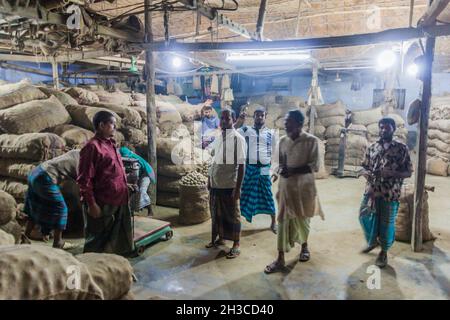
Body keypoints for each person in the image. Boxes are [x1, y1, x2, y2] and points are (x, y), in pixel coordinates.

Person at [265, 110, 323, 274]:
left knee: (303, 221)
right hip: (286, 190)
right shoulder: (282, 141)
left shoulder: (311, 141)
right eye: (285, 121)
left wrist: (293, 170)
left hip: (304, 190)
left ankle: (304, 247)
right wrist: (275, 173)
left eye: (288, 121)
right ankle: (280, 258)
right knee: (283, 222)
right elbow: (276, 162)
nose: (285, 124)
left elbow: (315, 165)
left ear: (299, 123)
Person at [77, 111, 134, 255]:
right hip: (102, 202)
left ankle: (113, 269)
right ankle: (92, 270)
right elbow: (84, 179)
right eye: (112, 124)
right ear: (101, 125)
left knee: (117, 240)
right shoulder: (92, 147)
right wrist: (91, 204)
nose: (115, 127)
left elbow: (111, 172)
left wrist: (124, 185)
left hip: (119, 200)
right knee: (96, 241)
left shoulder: (111, 145)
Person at [359, 117, 412, 268]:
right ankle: (372, 241)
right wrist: (366, 173)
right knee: (364, 214)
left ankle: (383, 252)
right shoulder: (372, 147)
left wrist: (391, 174)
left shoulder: (401, 148)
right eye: (381, 127)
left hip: (390, 192)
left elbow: (408, 172)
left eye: (386, 128)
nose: (383, 130)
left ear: (393, 129)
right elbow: (364, 166)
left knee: (386, 223)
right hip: (372, 190)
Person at [206, 108, 246, 259]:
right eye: (222, 118)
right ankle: (221, 238)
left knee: (233, 215)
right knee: (217, 213)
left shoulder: (238, 139)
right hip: (216, 183)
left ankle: (236, 244)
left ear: (233, 120)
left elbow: (242, 166)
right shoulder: (218, 138)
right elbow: (213, 160)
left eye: (227, 119)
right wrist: (210, 178)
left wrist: (238, 189)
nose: (223, 121)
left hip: (229, 184)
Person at [24, 150, 80, 250]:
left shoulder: (75, 152)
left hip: (35, 172)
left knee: (34, 206)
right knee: (61, 209)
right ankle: (58, 242)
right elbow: (82, 180)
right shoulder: (82, 161)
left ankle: (25, 237)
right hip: (44, 178)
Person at [238, 106, 277, 233]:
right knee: (245, 193)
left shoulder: (271, 133)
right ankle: (237, 221)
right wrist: (239, 120)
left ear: (265, 117)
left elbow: (275, 153)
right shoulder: (246, 130)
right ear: (253, 117)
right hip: (250, 167)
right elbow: (231, 132)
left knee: (268, 194)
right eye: (257, 115)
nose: (259, 117)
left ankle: (273, 223)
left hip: (264, 168)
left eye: (262, 115)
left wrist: (274, 170)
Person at [119, 146, 156, 215]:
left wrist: (134, 184)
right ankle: (131, 211)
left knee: (142, 191)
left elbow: (136, 176)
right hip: (137, 175)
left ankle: (150, 211)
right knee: (130, 190)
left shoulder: (134, 160)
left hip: (146, 174)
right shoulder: (123, 160)